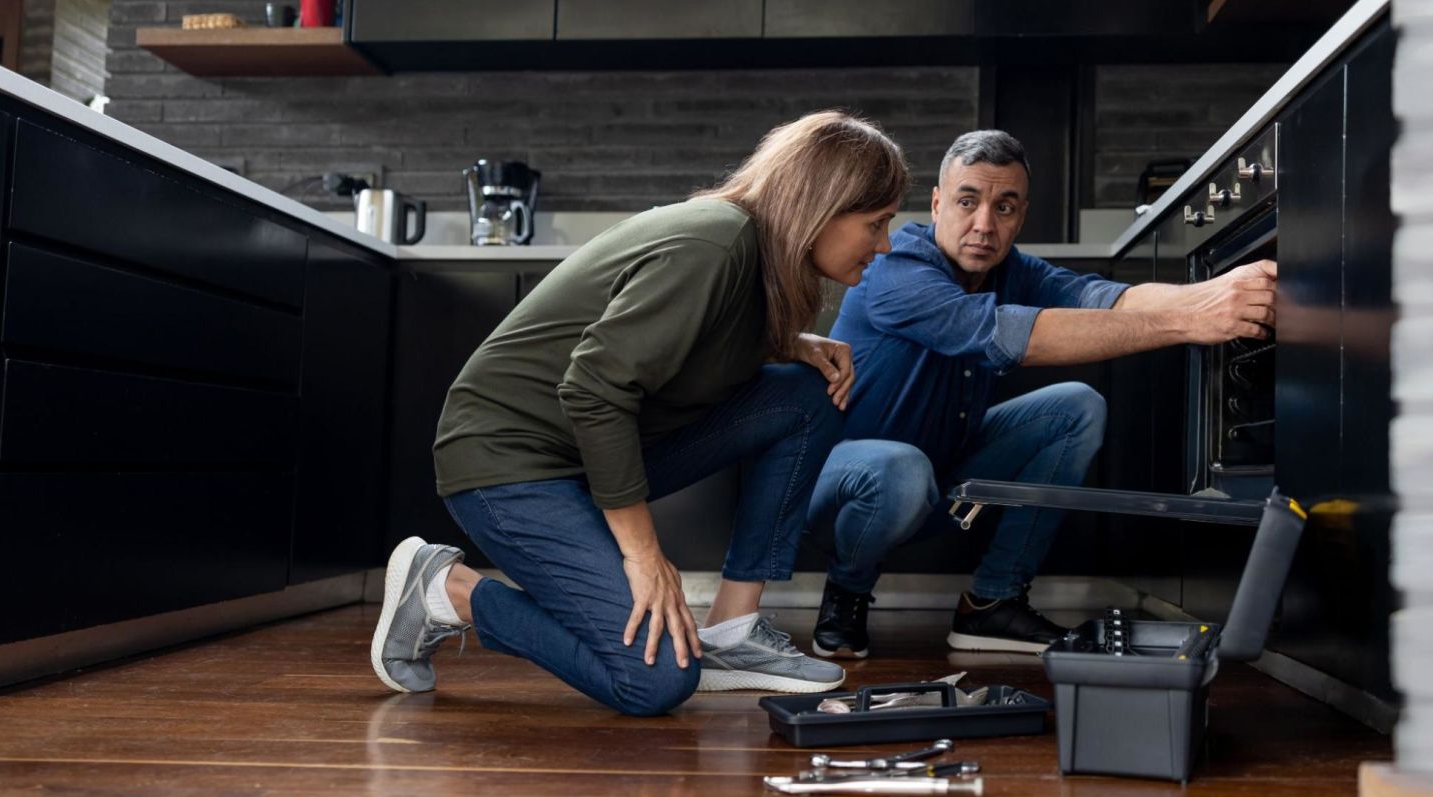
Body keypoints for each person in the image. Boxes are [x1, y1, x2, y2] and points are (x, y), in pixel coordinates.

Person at [370, 111, 910, 715]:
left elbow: (684, 345)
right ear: (820, 206)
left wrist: (790, 343)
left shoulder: (753, 259)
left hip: (575, 454)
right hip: (507, 462)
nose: (884, 244)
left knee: (807, 396)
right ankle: (448, 591)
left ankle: (732, 632)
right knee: (654, 681)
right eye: (876, 223)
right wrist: (645, 555)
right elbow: (594, 390)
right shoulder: (716, 243)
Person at [805, 129, 1277, 657]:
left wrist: (1214, 293)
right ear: (937, 204)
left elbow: (1104, 297)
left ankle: (992, 604)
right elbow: (1003, 335)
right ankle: (846, 589)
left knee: (1075, 407)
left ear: (1020, 215)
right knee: (899, 465)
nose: (985, 224)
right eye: (968, 201)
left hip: (939, 477)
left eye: (1004, 207)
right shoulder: (895, 270)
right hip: (845, 487)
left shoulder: (1009, 271)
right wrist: (1190, 321)